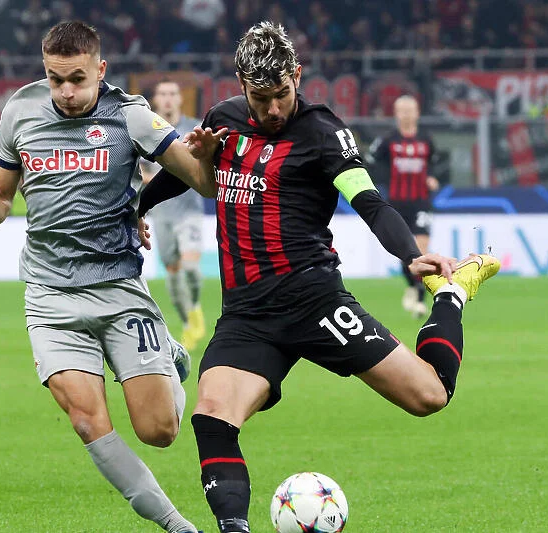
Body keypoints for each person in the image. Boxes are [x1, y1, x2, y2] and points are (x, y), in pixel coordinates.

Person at [138, 22, 499, 533]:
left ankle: (453, 294)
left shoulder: (325, 133)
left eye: (282, 94)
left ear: (297, 76)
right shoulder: (223, 121)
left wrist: (410, 255)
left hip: (314, 301)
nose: (273, 109)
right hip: (247, 315)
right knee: (212, 416)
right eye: (261, 98)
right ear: (241, 86)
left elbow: (370, 202)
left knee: (430, 395)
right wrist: (138, 207)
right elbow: (187, 174)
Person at [0, 21, 217, 533]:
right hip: (49, 295)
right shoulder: (19, 111)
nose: (66, 92)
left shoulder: (131, 115)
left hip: (118, 288)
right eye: (55, 79)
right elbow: (2, 203)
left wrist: (206, 160)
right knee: (85, 420)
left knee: (160, 431)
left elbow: (204, 184)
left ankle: (167, 352)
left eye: (77, 79)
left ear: (100, 69)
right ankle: (176, 525)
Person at [140, 79, 206, 352]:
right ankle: (190, 321)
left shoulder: (195, 127)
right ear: (156, 100)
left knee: (190, 268)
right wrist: (153, 181)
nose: (168, 99)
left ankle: (196, 309)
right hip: (161, 214)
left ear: (180, 99)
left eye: (172, 93)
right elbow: (139, 169)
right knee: (173, 274)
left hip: (189, 211)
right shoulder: (146, 129)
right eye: (163, 94)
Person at [367, 95, 440, 317]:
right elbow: (370, 162)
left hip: (421, 202)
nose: (407, 115)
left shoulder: (426, 140)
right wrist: (381, 183)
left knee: (421, 250)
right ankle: (414, 287)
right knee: (405, 252)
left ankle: (419, 294)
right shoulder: (387, 141)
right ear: (396, 114)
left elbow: (435, 165)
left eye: (411, 110)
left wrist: (432, 178)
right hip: (396, 204)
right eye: (403, 110)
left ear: (417, 113)